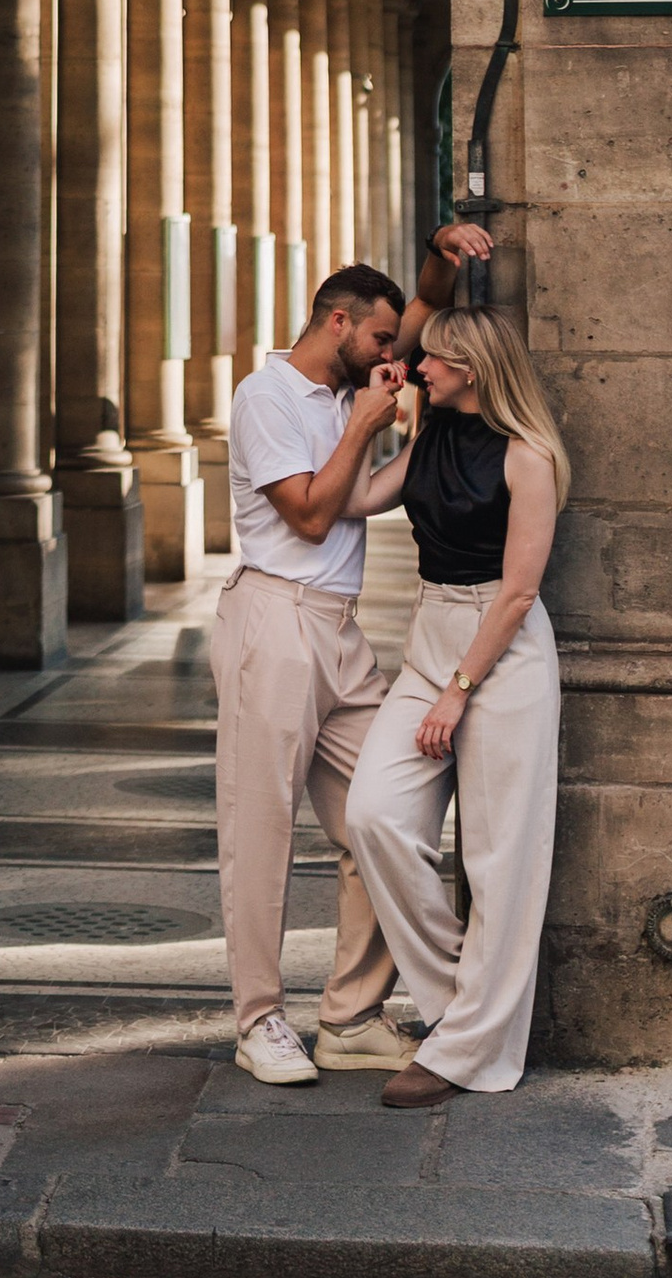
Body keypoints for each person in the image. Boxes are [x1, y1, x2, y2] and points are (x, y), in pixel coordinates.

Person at [214, 236, 491, 1085]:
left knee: (387, 813)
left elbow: (420, 313)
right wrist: (369, 425)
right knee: (259, 831)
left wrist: (444, 254)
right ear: (338, 324)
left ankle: (349, 1015)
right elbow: (307, 514)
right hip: (274, 622)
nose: (396, 360)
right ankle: (259, 1021)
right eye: (380, 343)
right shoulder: (269, 397)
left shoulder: (350, 382)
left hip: (339, 633)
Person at [343, 307, 570, 1110]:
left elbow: (518, 594)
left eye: (431, 359)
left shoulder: (529, 456)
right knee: (374, 815)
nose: (417, 367)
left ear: (470, 367)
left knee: (501, 860)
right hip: (432, 632)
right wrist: (366, 421)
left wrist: (458, 690)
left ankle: (468, 1049)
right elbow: (356, 499)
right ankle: (460, 1012)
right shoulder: (428, 437)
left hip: (501, 657)